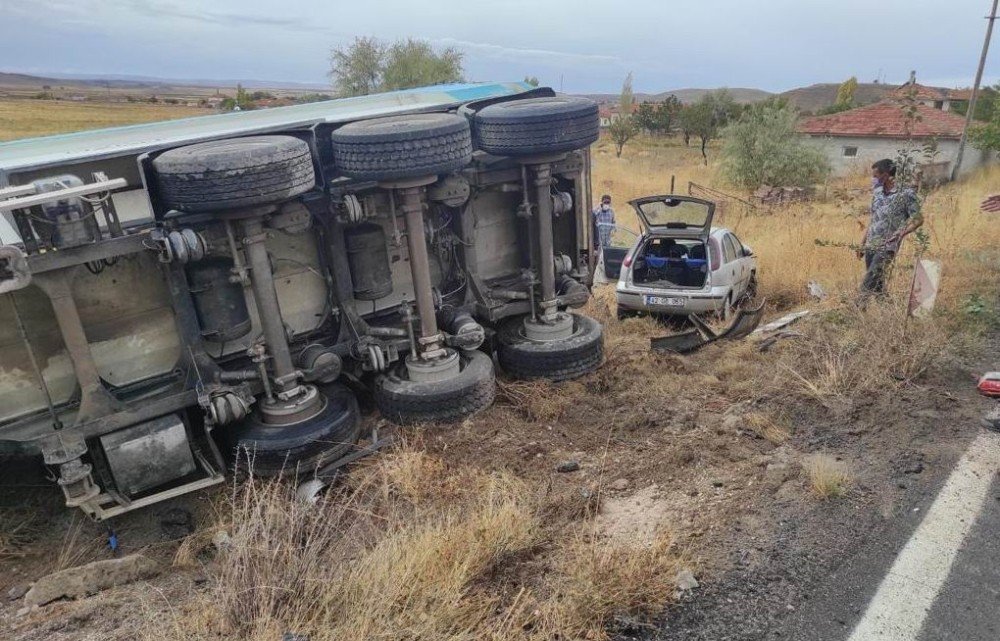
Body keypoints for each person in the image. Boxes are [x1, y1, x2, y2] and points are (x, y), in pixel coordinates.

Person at [857, 159, 923, 296]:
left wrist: (901, 234)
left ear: (885, 175)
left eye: (875, 176)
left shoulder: (905, 194)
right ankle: (885, 306)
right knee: (877, 282)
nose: (873, 179)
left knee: (869, 280)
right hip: (871, 243)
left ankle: (856, 308)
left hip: (888, 246)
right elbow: (873, 219)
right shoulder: (877, 193)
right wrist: (862, 243)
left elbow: (918, 220)